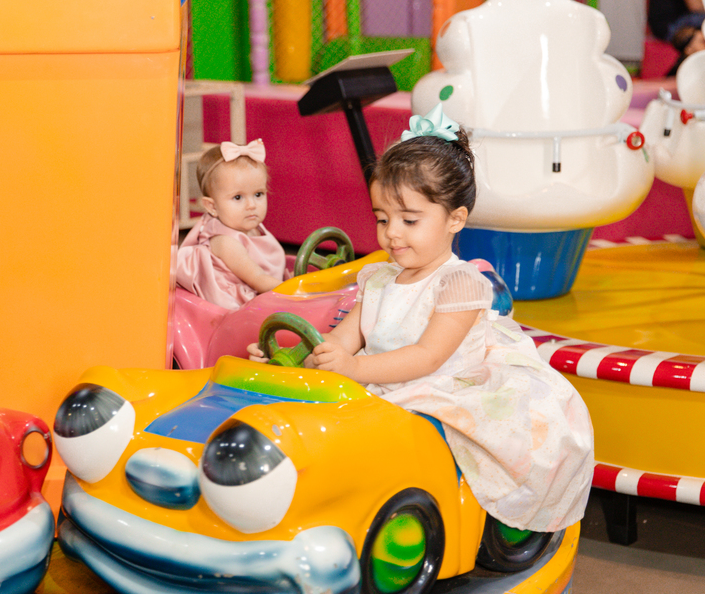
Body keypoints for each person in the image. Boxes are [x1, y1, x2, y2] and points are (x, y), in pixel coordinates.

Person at [247, 106, 595, 533]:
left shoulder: (459, 284)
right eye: (382, 219)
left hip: (437, 388)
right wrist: (295, 359)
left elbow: (428, 357)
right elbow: (339, 341)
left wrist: (353, 368)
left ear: (455, 219)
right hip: (381, 382)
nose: (392, 232)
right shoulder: (378, 278)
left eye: (409, 220)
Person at [176, 139, 288, 310]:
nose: (251, 205)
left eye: (258, 194)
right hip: (239, 306)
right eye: (238, 197)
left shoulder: (251, 226)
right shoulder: (225, 242)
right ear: (212, 207)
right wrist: (297, 290)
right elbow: (258, 279)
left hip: (266, 285)